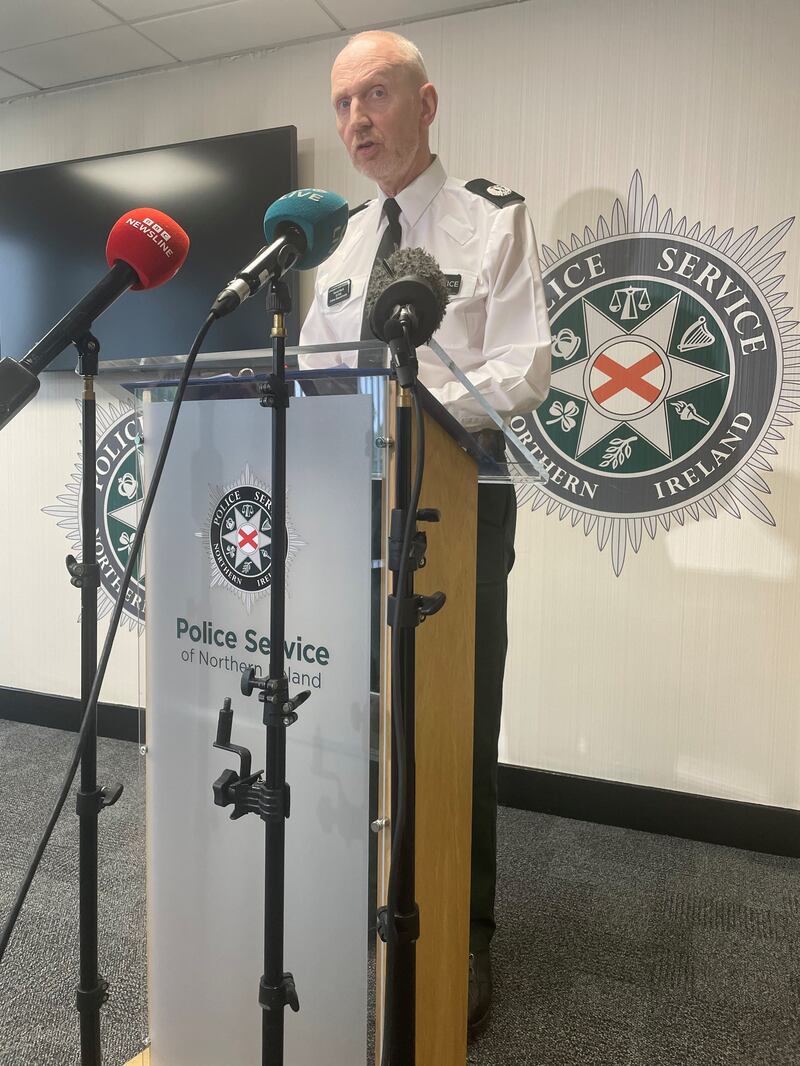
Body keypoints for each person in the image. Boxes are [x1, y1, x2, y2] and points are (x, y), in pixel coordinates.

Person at [299, 29, 552, 1036]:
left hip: (456, 498)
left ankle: (462, 930)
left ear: (425, 103)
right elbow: (316, 371)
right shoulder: (340, 244)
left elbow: (525, 364)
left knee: (452, 723)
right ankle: (366, 900)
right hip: (350, 505)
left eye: (374, 95)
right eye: (341, 104)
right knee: (356, 718)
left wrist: (412, 406)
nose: (356, 120)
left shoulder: (490, 221)